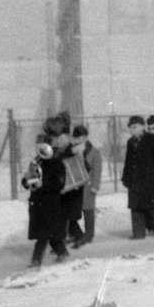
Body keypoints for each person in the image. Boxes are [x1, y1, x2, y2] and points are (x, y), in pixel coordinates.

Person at [23, 134, 68, 267]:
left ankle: (36, 260)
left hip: (50, 203)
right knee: (50, 234)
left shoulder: (58, 163)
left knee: (43, 234)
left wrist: (43, 185)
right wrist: (26, 181)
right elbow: (29, 181)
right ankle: (62, 252)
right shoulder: (36, 162)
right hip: (37, 202)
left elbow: (59, 184)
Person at [121, 115, 154, 239]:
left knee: (150, 206)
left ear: (142, 127)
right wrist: (125, 178)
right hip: (134, 181)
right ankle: (138, 233)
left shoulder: (152, 139)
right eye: (130, 128)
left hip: (149, 181)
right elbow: (128, 161)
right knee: (135, 207)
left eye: (135, 127)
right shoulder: (130, 142)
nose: (132, 130)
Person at [46, 112, 86, 249]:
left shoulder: (72, 150)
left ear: (68, 137)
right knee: (65, 217)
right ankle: (71, 239)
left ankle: (74, 238)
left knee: (68, 217)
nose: (59, 141)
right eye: (57, 138)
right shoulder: (57, 151)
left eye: (62, 138)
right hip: (63, 190)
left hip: (73, 190)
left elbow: (84, 167)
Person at [71, 125, 102, 246]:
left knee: (88, 210)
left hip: (88, 186)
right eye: (76, 138)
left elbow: (97, 170)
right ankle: (75, 233)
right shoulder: (73, 151)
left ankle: (89, 234)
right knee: (73, 211)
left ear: (85, 137)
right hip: (76, 186)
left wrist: (95, 185)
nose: (78, 140)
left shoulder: (94, 152)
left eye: (81, 137)